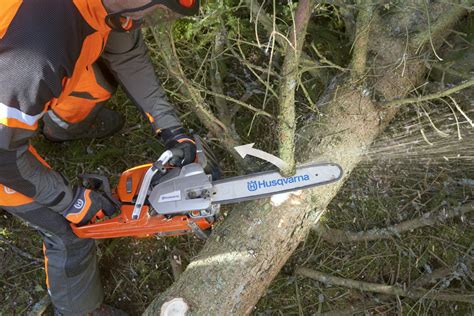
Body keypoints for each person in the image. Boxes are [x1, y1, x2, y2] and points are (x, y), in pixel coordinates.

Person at [0, 0, 200, 314]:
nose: (150, 18)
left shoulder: (107, 8)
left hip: (14, 94)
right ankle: (82, 311)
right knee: (69, 229)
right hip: (3, 141)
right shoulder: (38, 55)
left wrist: (170, 128)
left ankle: (60, 126)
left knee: (99, 74)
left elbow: (128, 55)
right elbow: (3, 156)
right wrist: (70, 202)